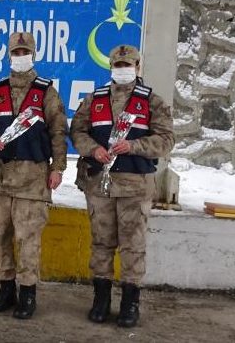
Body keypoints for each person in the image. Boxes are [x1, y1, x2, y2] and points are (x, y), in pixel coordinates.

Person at [70, 44, 174, 328]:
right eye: (118, 65)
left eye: (128, 65)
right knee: (101, 243)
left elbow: (166, 140)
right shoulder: (95, 99)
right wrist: (92, 149)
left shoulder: (152, 102)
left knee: (132, 245)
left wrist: (134, 145)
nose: (123, 70)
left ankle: (130, 303)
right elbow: (76, 131)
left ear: (138, 67)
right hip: (99, 185)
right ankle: (100, 300)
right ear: (111, 68)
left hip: (134, 186)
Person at [0, 32, 68, 319]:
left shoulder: (46, 92)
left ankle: (28, 292)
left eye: (24, 52)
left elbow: (58, 132)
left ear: (33, 55)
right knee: (1, 234)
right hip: (0, 177)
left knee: (28, 238)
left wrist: (57, 168)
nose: (19, 57)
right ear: (8, 56)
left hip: (32, 177)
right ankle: (5, 289)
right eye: (15, 53)